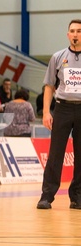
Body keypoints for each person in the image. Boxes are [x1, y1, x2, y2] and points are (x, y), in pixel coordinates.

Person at [38, 19, 81, 209]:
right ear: (67, 34)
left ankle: (77, 197)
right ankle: (46, 196)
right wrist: (47, 112)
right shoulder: (58, 57)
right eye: (72, 31)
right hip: (62, 108)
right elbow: (49, 86)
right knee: (55, 153)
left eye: (79, 31)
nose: (75, 34)